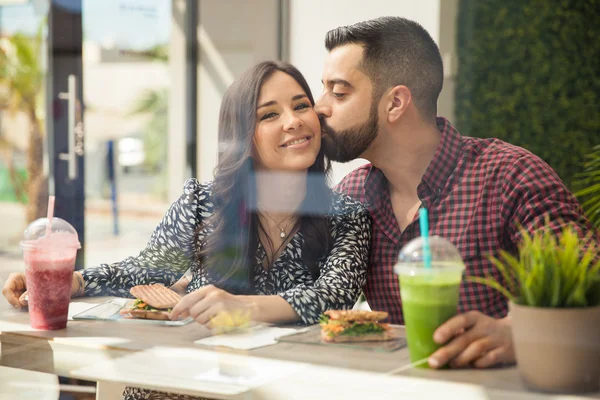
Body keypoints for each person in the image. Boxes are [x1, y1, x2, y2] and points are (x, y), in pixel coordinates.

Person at [3, 60, 371, 400]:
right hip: (178, 386)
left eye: (301, 105)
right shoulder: (204, 204)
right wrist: (73, 281)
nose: (293, 121)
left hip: (277, 388)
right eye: (269, 114)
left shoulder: (346, 215)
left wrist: (241, 308)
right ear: (244, 137)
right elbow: (148, 268)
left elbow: (333, 299)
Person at [314, 16, 598, 370]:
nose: (319, 107)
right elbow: (309, 293)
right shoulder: (351, 195)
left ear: (395, 103)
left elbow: (590, 287)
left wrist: (518, 333)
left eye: (338, 92)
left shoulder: (512, 177)